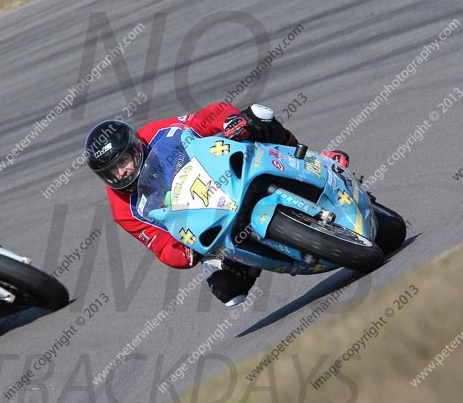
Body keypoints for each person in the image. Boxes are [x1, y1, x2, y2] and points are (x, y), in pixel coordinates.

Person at [85, 102, 350, 306]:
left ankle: (313, 160)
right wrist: (187, 250)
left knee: (256, 117)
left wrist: (231, 121)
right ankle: (276, 253)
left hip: (227, 173)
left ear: (135, 147)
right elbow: (161, 245)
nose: (120, 173)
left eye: (122, 162)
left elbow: (206, 118)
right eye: (111, 171)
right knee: (227, 291)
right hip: (209, 223)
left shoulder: (159, 133)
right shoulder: (123, 209)